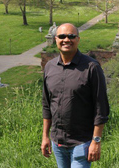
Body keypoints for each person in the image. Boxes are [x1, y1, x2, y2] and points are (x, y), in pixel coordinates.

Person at [41, 23, 109, 168]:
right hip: (57, 142)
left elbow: (101, 107)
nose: (67, 40)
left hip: (82, 143)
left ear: (78, 39)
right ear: (56, 39)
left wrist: (96, 141)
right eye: (62, 36)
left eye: (71, 36)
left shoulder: (91, 68)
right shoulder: (50, 67)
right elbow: (47, 104)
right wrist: (45, 136)